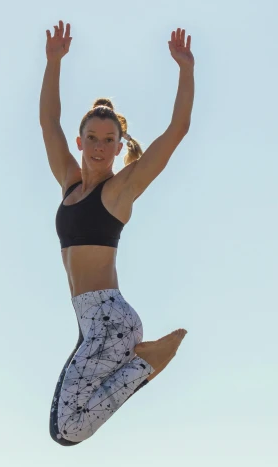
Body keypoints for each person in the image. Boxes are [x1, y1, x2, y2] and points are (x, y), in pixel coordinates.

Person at [40, 20, 195, 445]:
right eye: (92, 137)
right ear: (80, 140)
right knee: (66, 419)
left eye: (109, 139)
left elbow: (176, 131)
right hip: (91, 324)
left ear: (119, 143)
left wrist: (186, 70)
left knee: (68, 428)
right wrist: (53, 62)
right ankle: (144, 362)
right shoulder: (71, 184)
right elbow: (48, 123)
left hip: (109, 320)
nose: (99, 146)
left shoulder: (120, 190)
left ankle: (150, 361)